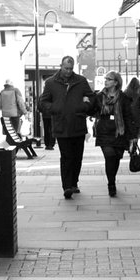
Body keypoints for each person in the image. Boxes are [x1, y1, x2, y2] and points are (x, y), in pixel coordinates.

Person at [38, 55, 94, 199]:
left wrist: (84, 106)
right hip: (61, 125)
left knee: (77, 157)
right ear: (61, 66)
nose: (68, 71)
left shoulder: (80, 81)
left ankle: (74, 182)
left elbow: (92, 97)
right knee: (66, 156)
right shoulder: (51, 83)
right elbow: (43, 102)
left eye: (70, 68)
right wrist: (55, 108)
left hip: (78, 124)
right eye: (66, 68)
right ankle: (67, 186)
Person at [92, 72, 140, 197]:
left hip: (119, 133)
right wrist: (87, 102)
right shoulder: (99, 96)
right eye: (105, 79)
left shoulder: (123, 98)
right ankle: (111, 183)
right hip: (104, 131)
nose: (106, 81)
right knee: (109, 155)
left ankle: (112, 178)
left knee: (116, 158)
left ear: (116, 82)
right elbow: (92, 110)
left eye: (109, 79)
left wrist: (132, 137)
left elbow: (127, 117)